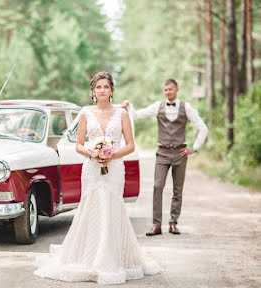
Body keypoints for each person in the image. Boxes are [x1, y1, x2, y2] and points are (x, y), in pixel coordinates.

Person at [34, 72, 160, 285]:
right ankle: (88, 257)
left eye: (106, 87)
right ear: (93, 91)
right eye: (98, 87)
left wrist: (111, 154)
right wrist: (93, 153)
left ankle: (113, 258)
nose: (102, 90)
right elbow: (79, 144)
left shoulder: (121, 114)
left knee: (112, 207)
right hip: (91, 169)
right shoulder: (85, 113)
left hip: (114, 169)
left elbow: (129, 145)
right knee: (91, 207)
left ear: (111, 91)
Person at [121, 79, 208, 236]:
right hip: (162, 153)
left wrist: (194, 148)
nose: (167, 92)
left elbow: (203, 128)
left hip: (180, 154)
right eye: (165, 90)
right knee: (157, 186)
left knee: (177, 189)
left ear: (177, 89)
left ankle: (173, 223)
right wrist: (129, 106)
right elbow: (137, 115)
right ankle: (157, 225)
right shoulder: (158, 106)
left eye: (170, 89)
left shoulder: (186, 107)